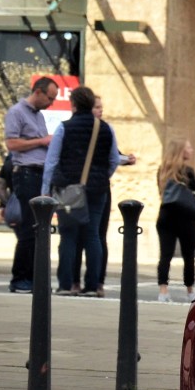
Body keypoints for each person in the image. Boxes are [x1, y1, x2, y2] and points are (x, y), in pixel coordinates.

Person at [40, 86, 116, 297]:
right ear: (91, 104)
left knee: (68, 236)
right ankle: (92, 286)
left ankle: (65, 284)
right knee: (93, 235)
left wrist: (45, 191)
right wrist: (102, 177)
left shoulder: (64, 128)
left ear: (73, 104)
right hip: (97, 190)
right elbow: (113, 160)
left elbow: (52, 161)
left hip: (68, 190)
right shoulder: (106, 128)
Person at [71, 94, 137, 293]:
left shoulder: (102, 130)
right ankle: (89, 283)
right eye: (97, 107)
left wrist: (124, 158)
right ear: (88, 107)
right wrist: (108, 171)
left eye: (101, 107)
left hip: (81, 187)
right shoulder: (101, 129)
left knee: (94, 235)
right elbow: (112, 160)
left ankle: (92, 281)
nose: (100, 110)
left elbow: (114, 156)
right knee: (89, 235)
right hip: (98, 187)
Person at [3, 77, 58, 293]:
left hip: (39, 174)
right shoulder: (16, 112)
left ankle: (34, 278)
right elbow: (12, 143)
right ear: (38, 91)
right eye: (50, 98)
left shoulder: (39, 116)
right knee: (28, 228)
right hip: (26, 173)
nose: (51, 103)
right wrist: (42, 141)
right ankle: (19, 279)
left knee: (38, 229)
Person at [156, 139, 195, 303]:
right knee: (188, 255)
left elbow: (161, 194)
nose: (191, 150)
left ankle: (163, 290)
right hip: (186, 217)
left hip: (166, 216)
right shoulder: (188, 172)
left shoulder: (163, 170)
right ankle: (190, 290)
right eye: (188, 147)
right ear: (181, 151)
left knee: (165, 255)